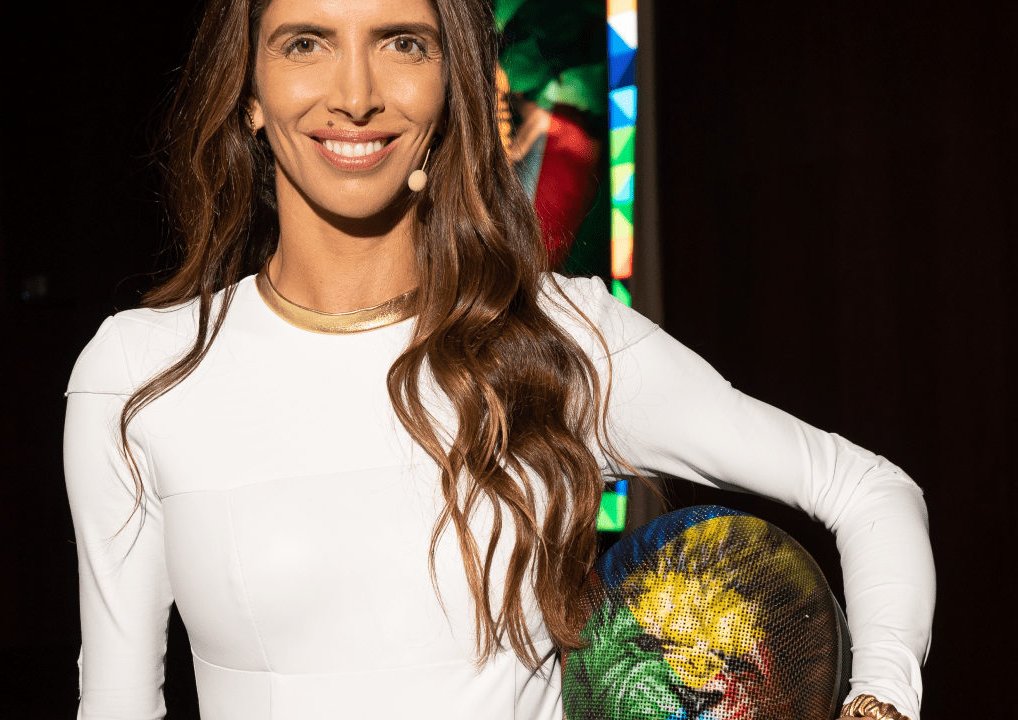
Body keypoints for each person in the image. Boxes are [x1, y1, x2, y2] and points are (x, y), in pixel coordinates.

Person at [62, 0, 934, 718]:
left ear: (453, 88)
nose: (355, 93)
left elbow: (869, 489)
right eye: (306, 44)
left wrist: (880, 698)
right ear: (249, 90)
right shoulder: (140, 374)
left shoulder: (561, 335)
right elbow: (116, 704)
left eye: (403, 43)